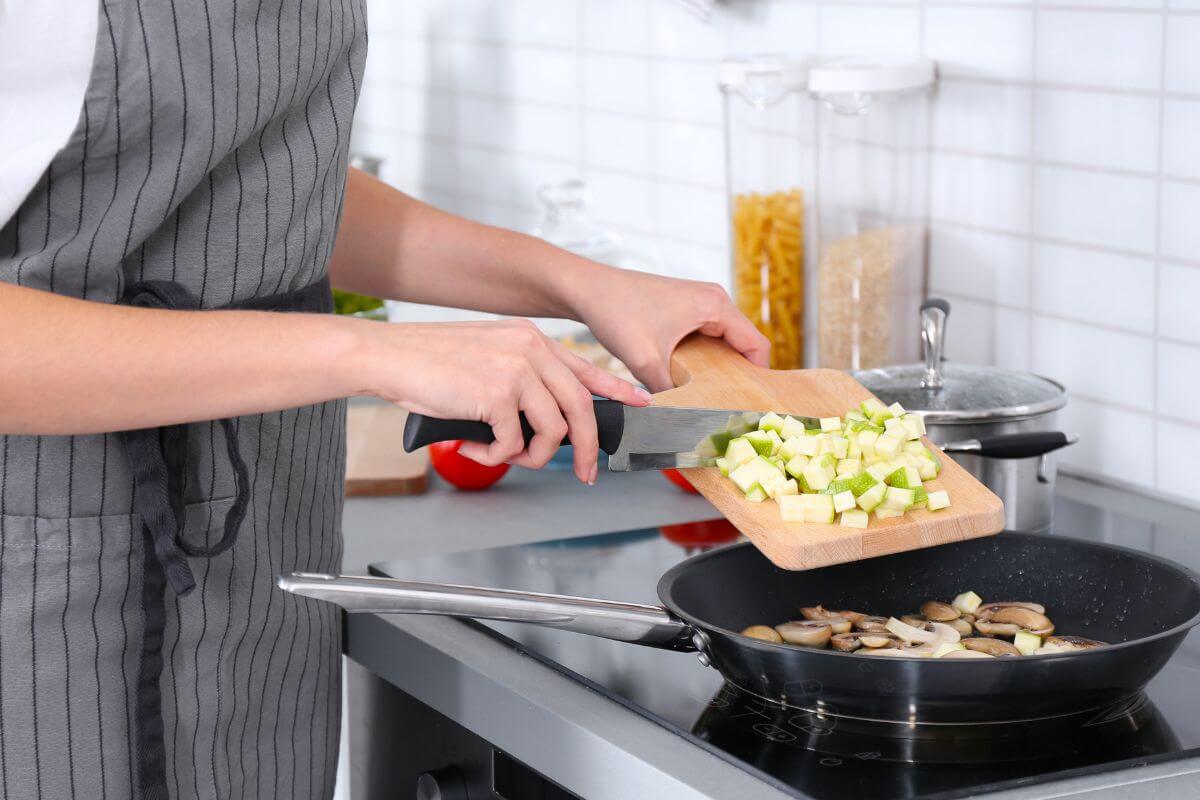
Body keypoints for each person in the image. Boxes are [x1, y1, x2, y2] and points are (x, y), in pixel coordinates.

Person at [0, 1, 769, 798]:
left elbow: (255, 192)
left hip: (262, 556)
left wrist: (581, 283)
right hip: (50, 577)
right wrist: (370, 353)